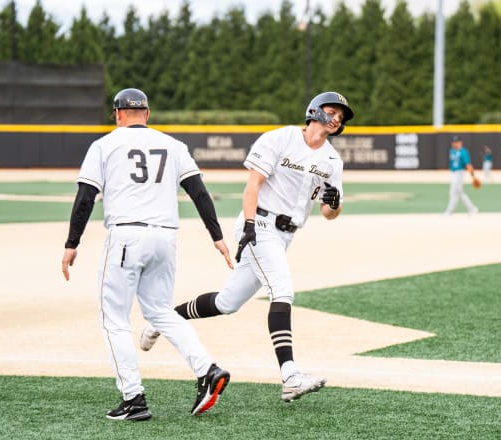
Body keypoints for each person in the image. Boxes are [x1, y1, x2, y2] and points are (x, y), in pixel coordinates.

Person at [139, 91, 353, 403]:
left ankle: (161, 319)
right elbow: (253, 184)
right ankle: (290, 376)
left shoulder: (333, 160)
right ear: (314, 110)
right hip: (261, 225)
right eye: (334, 110)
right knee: (282, 290)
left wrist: (334, 206)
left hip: (286, 235)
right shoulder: (279, 139)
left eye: (342, 116)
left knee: (228, 302)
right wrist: (249, 227)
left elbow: (328, 213)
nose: (337, 118)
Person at [61, 88, 233, 421]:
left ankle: (133, 399)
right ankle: (207, 369)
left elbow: (85, 198)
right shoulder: (174, 145)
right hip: (165, 238)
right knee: (160, 311)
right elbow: (199, 192)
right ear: (148, 114)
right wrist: (217, 236)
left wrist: (72, 243)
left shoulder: (104, 145)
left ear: (117, 114)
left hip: (126, 235)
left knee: (114, 319)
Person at [443, 135, 478, 216]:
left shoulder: (463, 152)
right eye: (453, 142)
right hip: (453, 173)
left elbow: (468, 165)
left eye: (456, 142)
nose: (455, 144)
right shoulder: (451, 151)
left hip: (460, 173)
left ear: (460, 142)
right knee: (459, 192)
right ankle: (472, 208)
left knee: (453, 191)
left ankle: (450, 211)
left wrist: (473, 176)